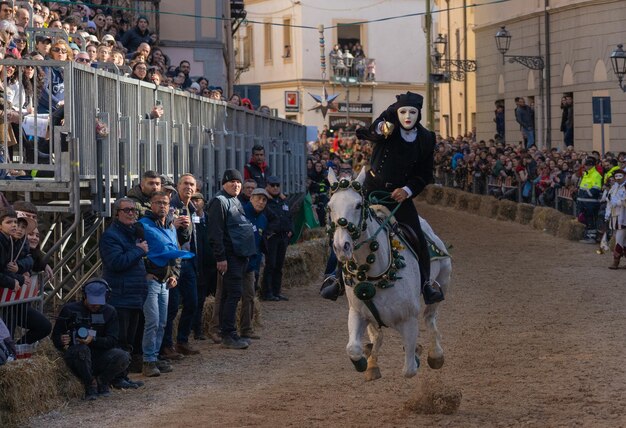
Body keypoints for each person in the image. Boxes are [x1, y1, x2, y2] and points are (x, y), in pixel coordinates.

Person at [349, 91, 443, 304]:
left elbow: (425, 173)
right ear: (396, 112)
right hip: (371, 188)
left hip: (399, 196)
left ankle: (426, 285)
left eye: (412, 112)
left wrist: (408, 190)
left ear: (419, 114)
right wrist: (381, 127)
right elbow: (374, 131)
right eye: (403, 111)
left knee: (418, 237)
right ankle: (333, 279)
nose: (407, 116)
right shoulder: (387, 126)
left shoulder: (426, 138)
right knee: (347, 226)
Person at [139, 191, 194, 376]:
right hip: (151, 281)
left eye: (165, 203)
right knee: (153, 321)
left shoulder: (171, 226)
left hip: (166, 281)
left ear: (170, 205)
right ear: (150, 205)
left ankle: (155, 357)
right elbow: (138, 251)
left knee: (162, 322)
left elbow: (176, 251)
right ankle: (148, 361)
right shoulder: (142, 226)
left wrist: (175, 274)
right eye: (157, 202)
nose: (162, 206)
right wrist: (145, 273)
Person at [51, 278, 130, 400]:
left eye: (99, 302)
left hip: (100, 354)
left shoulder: (109, 311)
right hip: (77, 355)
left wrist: (93, 340)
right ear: (84, 296)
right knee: (81, 351)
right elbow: (55, 336)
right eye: (92, 302)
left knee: (123, 356)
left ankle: (102, 381)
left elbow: (113, 340)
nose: (95, 305)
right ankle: (89, 384)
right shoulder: (70, 309)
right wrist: (61, 340)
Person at [99, 197, 148, 389]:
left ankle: (123, 375)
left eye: (133, 211)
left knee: (128, 341)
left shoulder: (134, 233)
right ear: (117, 213)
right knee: (119, 340)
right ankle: (114, 377)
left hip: (134, 295)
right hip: (120, 296)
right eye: (126, 210)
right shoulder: (111, 236)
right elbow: (116, 263)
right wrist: (138, 251)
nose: (131, 213)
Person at [207, 169, 257, 349]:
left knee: (232, 294)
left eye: (238, 182)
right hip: (230, 256)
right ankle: (228, 334)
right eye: (231, 182)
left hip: (240, 255)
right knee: (233, 294)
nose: (236, 185)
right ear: (223, 184)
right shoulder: (219, 202)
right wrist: (221, 257)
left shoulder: (234, 200)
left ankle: (230, 332)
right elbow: (215, 233)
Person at [162, 173, 200, 357]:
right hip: (173, 263)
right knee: (172, 306)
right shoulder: (170, 206)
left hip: (189, 261)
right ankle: (167, 345)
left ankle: (182, 340)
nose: (188, 187)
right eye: (185, 183)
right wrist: (173, 225)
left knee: (192, 302)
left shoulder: (193, 207)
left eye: (192, 184)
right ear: (178, 185)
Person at [241, 188, 269, 340]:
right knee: (229, 296)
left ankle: (246, 329)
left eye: (264, 200)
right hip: (237, 261)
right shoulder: (242, 213)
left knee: (249, 296)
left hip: (253, 263)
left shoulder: (263, 218)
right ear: (251, 198)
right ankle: (223, 330)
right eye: (258, 198)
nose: (261, 202)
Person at [190, 192, 217, 340]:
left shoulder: (209, 218)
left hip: (212, 264)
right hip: (198, 264)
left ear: (203, 202)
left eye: (198, 199)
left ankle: (213, 327)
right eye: (192, 200)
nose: (195, 202)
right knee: (198, 299)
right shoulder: (189, 219)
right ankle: (197, 329)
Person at [261, 176, 293, 301]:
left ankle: (276, 291)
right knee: (271, 265)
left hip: (283, 236)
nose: (275, 188)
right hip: (272, 236)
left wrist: (291, 230)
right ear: (267, 186)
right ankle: (267, 292)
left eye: (277, 185)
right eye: (272, 185)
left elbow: (289, 216)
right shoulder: (265, 201)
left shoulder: (283, 201)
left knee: (279, 265)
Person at [577, 157, 603, 244]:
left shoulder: (596, 175)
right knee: (585, 219)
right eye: (586, 165)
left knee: (591, 219)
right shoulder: (586, 174)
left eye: (587, 165)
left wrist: (585, 194)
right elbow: (583, 186)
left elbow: (596, 189)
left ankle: (592, 237)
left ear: (592, 165)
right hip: (584, 201)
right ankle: (588, 235)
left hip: (591, 202)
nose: (586, 166)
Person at [605, 169, 626, 268]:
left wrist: (618, 202)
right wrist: (607, 212)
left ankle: (616, 260)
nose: (617, 179)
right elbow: (609, 200)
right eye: (616, 176)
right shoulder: (614, 188)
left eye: (620, 176)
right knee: (622, 239)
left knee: (619, 238)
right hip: (615, 216)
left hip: (623, 217)